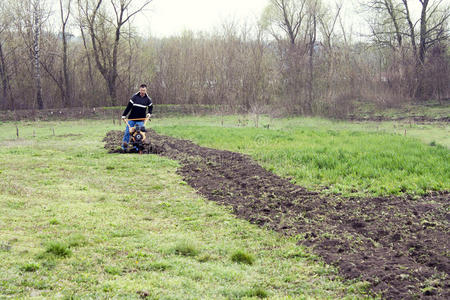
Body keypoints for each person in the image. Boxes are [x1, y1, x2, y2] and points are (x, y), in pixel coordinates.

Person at [121, 84, 153, 150]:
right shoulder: (134, 97)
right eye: (141, 90)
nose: (142, 92)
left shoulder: (148, 99)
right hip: (132, 118)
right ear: (139, 89)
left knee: (140, 133)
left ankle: (137, 148)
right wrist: (124, 115)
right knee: (128, 132)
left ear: (146, 90)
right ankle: (124, 147)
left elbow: (150, 107)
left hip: (141, 119)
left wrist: (149, 114)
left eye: (144, 90)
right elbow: (128, 107)